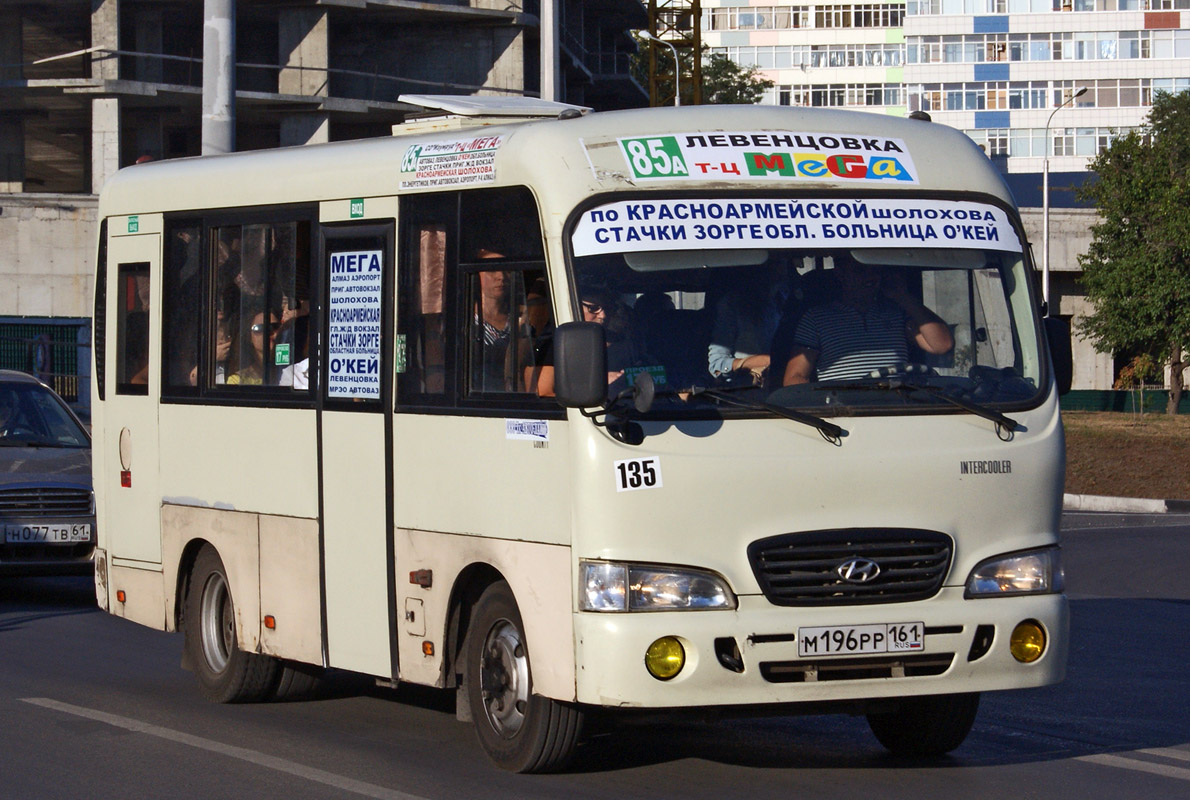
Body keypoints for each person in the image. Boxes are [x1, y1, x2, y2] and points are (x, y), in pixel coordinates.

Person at [782, 255, 953, 385]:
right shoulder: (816, 319)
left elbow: (941, 345)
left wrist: (902, 297)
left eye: (875, 271)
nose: (870, 277)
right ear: (840, 274)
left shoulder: (897, 314)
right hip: (844, 413)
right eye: (860, 271)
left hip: (899, 409)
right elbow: (795, 378)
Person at [708, 264, 791, 385]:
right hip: (749, 396)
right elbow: (717, 365)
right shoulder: (732, 305)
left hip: (795, 392)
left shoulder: (789, 300)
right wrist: (765, 361)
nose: (782, 267)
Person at [227, 308, 280, 385]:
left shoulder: (293, 372)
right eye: (260, 328)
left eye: (275, 327)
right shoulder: (237, 380)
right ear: (249, 337)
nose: (270, 332)